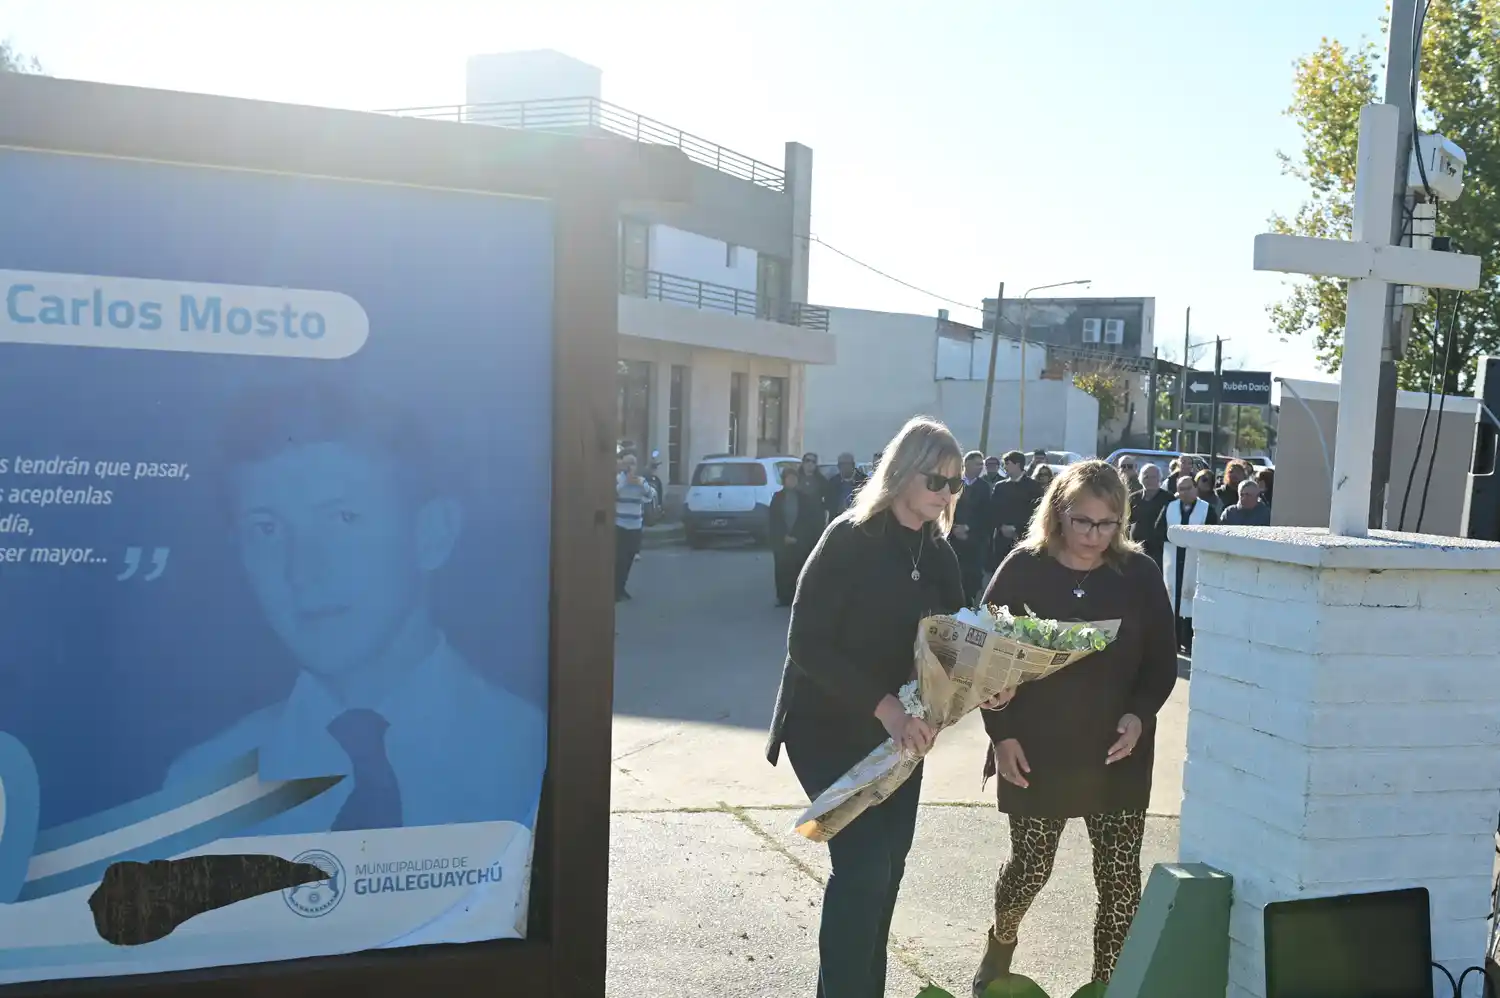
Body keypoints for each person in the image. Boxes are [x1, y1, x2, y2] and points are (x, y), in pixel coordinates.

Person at [167, 381, 546, 834]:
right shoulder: (202, 786)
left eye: (343, 519)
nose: (303, 571)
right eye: (266, 529)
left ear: (432, 534)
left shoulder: (534, 751)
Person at [766, 416, 1002, 998]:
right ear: (901, 473)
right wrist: (887, 709)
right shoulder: (850, 537)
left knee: (888, 869)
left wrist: (989, 682)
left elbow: (955, 643)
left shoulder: (939, 552)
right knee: (864, 866)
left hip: (899, 733)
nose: (946, 493)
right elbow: (806, 644)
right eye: (936, 480)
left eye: (955, 483)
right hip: (825, 725)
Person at [972, 461, 1177, 993]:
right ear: (1058, 514)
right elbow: (983, 659)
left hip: (1118, 751)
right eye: (1083, 521)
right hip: (1037, 747)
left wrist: (1139, 714)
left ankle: (1108, 985)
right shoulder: (1024, 568)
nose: (1094, 535)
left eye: (1107, 524)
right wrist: (1002, 735)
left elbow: (1162, 662)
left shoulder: (1139, 574)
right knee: (1031, 868)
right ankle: (1001, 942)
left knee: (1120, 883)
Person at [1157, 473, 1218, 654]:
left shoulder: (1206, 509)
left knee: (1192, 600)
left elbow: (1212, 534)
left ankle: (1190, 642)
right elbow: (1158, 530)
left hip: (1195, 561)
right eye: (1181, 489)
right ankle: (1173, 641)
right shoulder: (1169, 507)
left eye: (1188, 488)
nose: (1185, 492)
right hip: (1174, 561)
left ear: (1195, 488)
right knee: (1174, 600)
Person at [771, 467, 827, 606]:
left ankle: (798, 597)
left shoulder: (804, 498)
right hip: (782, 540)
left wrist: (798, 537)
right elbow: (774, 520)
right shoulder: (777, 498)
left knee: (798, 568)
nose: (792, 481)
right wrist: (782, 536)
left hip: (799, 540)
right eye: (789, 478)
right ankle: (783, 598)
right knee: (782, 569)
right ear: (784, 481)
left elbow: (807, 521)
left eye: (794, 478)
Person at [987, 451, 1041, 572]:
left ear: (1017, 464)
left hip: (1023, 538)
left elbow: (1035, 512)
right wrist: (1001, 526)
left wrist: (1017, 528)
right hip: (1001, 539)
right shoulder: (1000, 487)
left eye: (1007, 464)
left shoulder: (1033, 487)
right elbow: (993, 510)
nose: (1005, 467)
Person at [615, 452, 658, 601]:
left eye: (632, 463)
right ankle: (615, 590)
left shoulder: (641, 481)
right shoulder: (618, 479)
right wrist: (625, 482)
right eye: (627, 463)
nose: (630, 467)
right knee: (619, 559)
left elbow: (650, 495)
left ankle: (621, 588)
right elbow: (612, 493)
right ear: (623, 465)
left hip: (635, 526)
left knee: (629, 558)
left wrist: (642, 485)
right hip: (620, 525)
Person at [952, 450, 993, 604]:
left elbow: (986, 514)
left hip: (975, 539)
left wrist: (968, 528)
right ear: (966, 463)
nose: (980, 467)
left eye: (982, 464)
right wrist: (954, 528)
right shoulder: (954, 484)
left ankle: (970, 604)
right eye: (977, 464)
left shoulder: (984, 487)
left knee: (973, 577)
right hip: (953, 538)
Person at [1127, 463, 1171, 567]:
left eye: (1153, 477)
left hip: (1160, 552)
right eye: (1146, 477)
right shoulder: (1133, 498)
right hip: (1136, 549)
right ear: (1140, 479)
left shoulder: (1169, 499)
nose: (1150, 480)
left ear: (1160, 479)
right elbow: (1126, 522)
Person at [825, 452, 869, 518]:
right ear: (838, 466)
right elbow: (828, 502)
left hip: (858, 518)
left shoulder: (864, 480)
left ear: (853, 465)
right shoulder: (833, 482)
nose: (844, 467)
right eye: (842, 464)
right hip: (838, 519)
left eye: (847, 464)